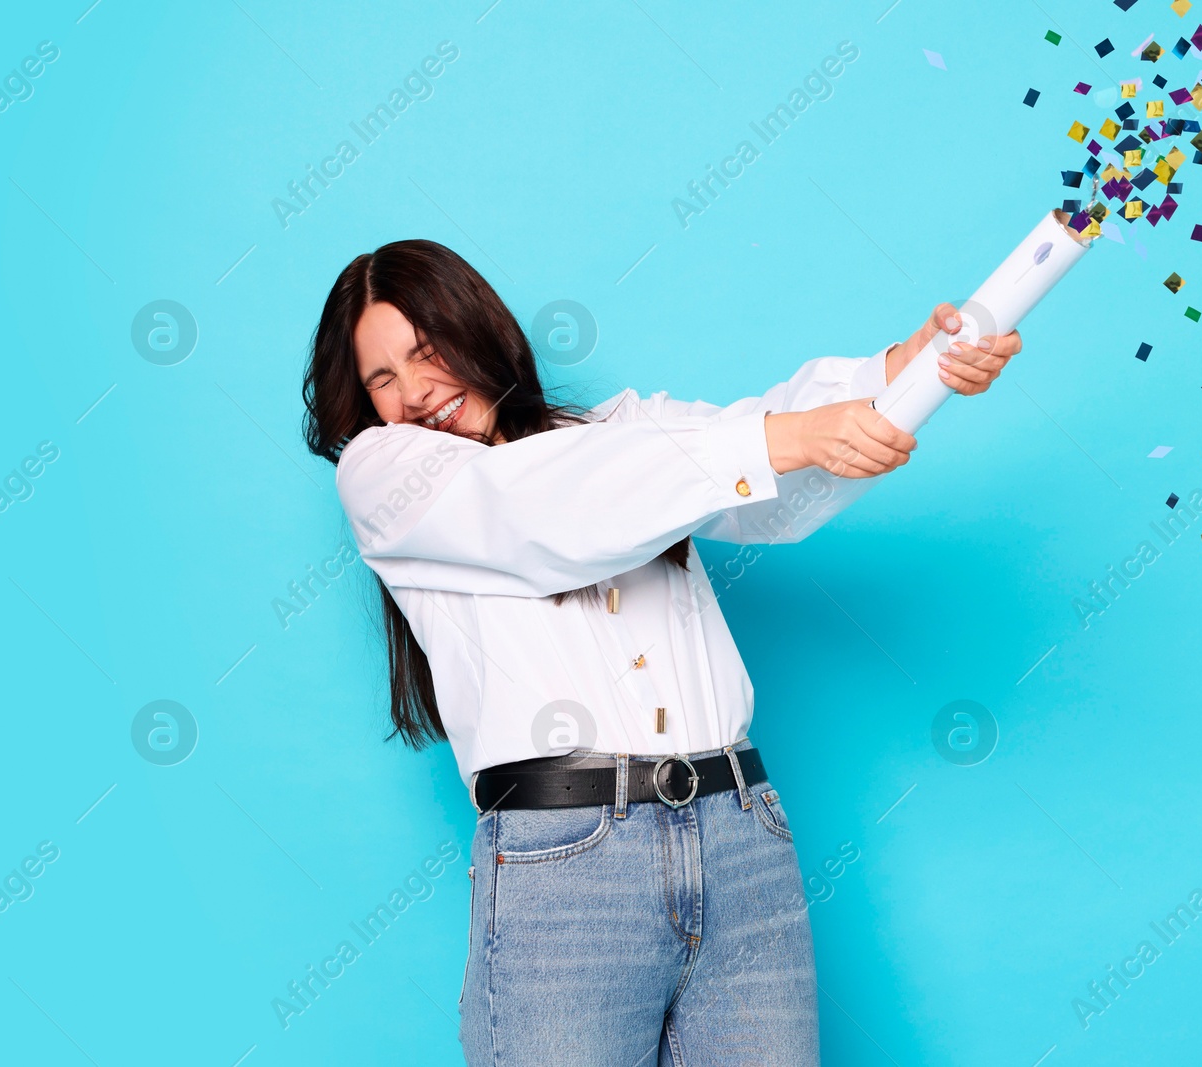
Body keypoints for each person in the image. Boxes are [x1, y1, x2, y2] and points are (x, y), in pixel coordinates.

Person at [300, 238, 1019, 1065]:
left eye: (427, 353)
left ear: (477, 330)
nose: (414, 391)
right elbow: (550, 508)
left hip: (742, 838)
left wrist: (914, 370)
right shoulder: (384, 472)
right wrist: (787, 437)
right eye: (381, 378)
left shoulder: (621, 432)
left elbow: (775, 479)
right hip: (566, 865)